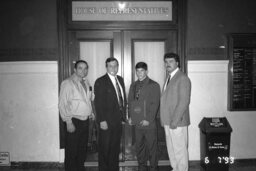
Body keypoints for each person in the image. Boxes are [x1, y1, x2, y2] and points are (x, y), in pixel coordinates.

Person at [59, 60, 94, 171]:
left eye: (85, 68)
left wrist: (91, 112)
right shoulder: (67, 83)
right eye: (80, 68)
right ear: (74, 69)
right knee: (71, 152)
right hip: (74, 121)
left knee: (82, 150)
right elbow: (62, 104)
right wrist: (68, 122)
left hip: (85, 121)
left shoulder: (86, 82)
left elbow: (87, 100)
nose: (83, 71)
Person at [94, 57, 127, 171]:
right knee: (105, 149)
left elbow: (122, 99)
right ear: (106, 67)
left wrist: (124, 116)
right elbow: (98, 102)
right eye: (110, 66)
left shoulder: (120, 80)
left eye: (115, 65)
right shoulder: (100, 81)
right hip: (106, 122)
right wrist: (102, 120)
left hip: (117, 121)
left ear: (118, 66)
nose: (113, 68)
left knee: (115, 149)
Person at [160, 53, 191, 171]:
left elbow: (184, 101)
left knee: (180, 150)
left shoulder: (182, 78)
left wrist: (175, 121)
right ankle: (175, 168)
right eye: (166, 62)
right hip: (168, 120)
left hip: (177, 122)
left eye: (171, 61)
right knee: (171, 149)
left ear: (177, 63)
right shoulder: (169, 77)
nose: (168, 64)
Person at [128, 62, 160, 171]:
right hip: (137, 124)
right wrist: (131, 116)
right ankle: (141, 168)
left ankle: (153, 168)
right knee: (139, 148)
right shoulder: (133, 85)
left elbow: (155, 104)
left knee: (152, 149)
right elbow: (130, 102)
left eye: (142, 71)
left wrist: (148, 120)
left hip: (149, 124)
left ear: (146, 71)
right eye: (137, 71)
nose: (139, 73)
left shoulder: (154, 85)